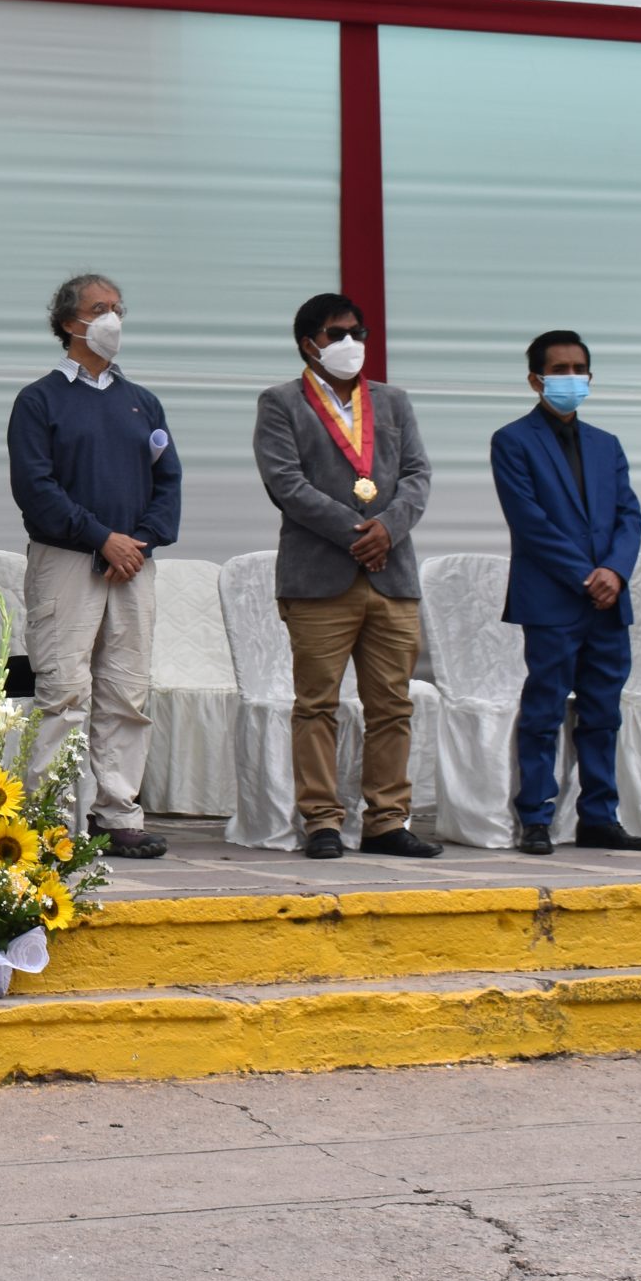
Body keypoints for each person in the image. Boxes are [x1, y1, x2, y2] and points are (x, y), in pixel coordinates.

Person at [252, 293, 438, 861]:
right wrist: (359, 535)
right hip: (319, 578)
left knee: (392, 706)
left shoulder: (395, 401)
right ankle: (322, 820)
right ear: (309, 343)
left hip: (392, 574)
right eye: (338, 333)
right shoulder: (281, 403)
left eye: (359, 332)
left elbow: (417, 475)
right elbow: (286, 484)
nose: (351, 343)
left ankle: (386, 820)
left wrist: (387, 528)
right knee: (316, 705)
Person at [7, 273, 181, 861]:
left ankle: (117, 813)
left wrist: (141, 541)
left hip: (133, 566)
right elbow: (35, 487)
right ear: (67, 324)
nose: (112, 318)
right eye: (98, 308)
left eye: (117, 308)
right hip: (69, 561)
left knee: (127, 692)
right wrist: (101, 537)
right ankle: (54, 819)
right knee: (63, 689)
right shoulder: (39, 400)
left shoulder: (142, 401)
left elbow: (169, 480)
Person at [491, 331, 641, 856]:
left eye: (579, 368)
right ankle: (535, 817)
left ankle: (599, 816)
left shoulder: (607, 445)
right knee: (545, 711)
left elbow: (630, 514)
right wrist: (589, 575)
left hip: (608, 600)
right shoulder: (512, 440)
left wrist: (616, 571)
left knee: (604, 712)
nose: (570, 378)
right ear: (536, 379)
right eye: (558, 369)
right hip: (555, 599)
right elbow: (530, 523)